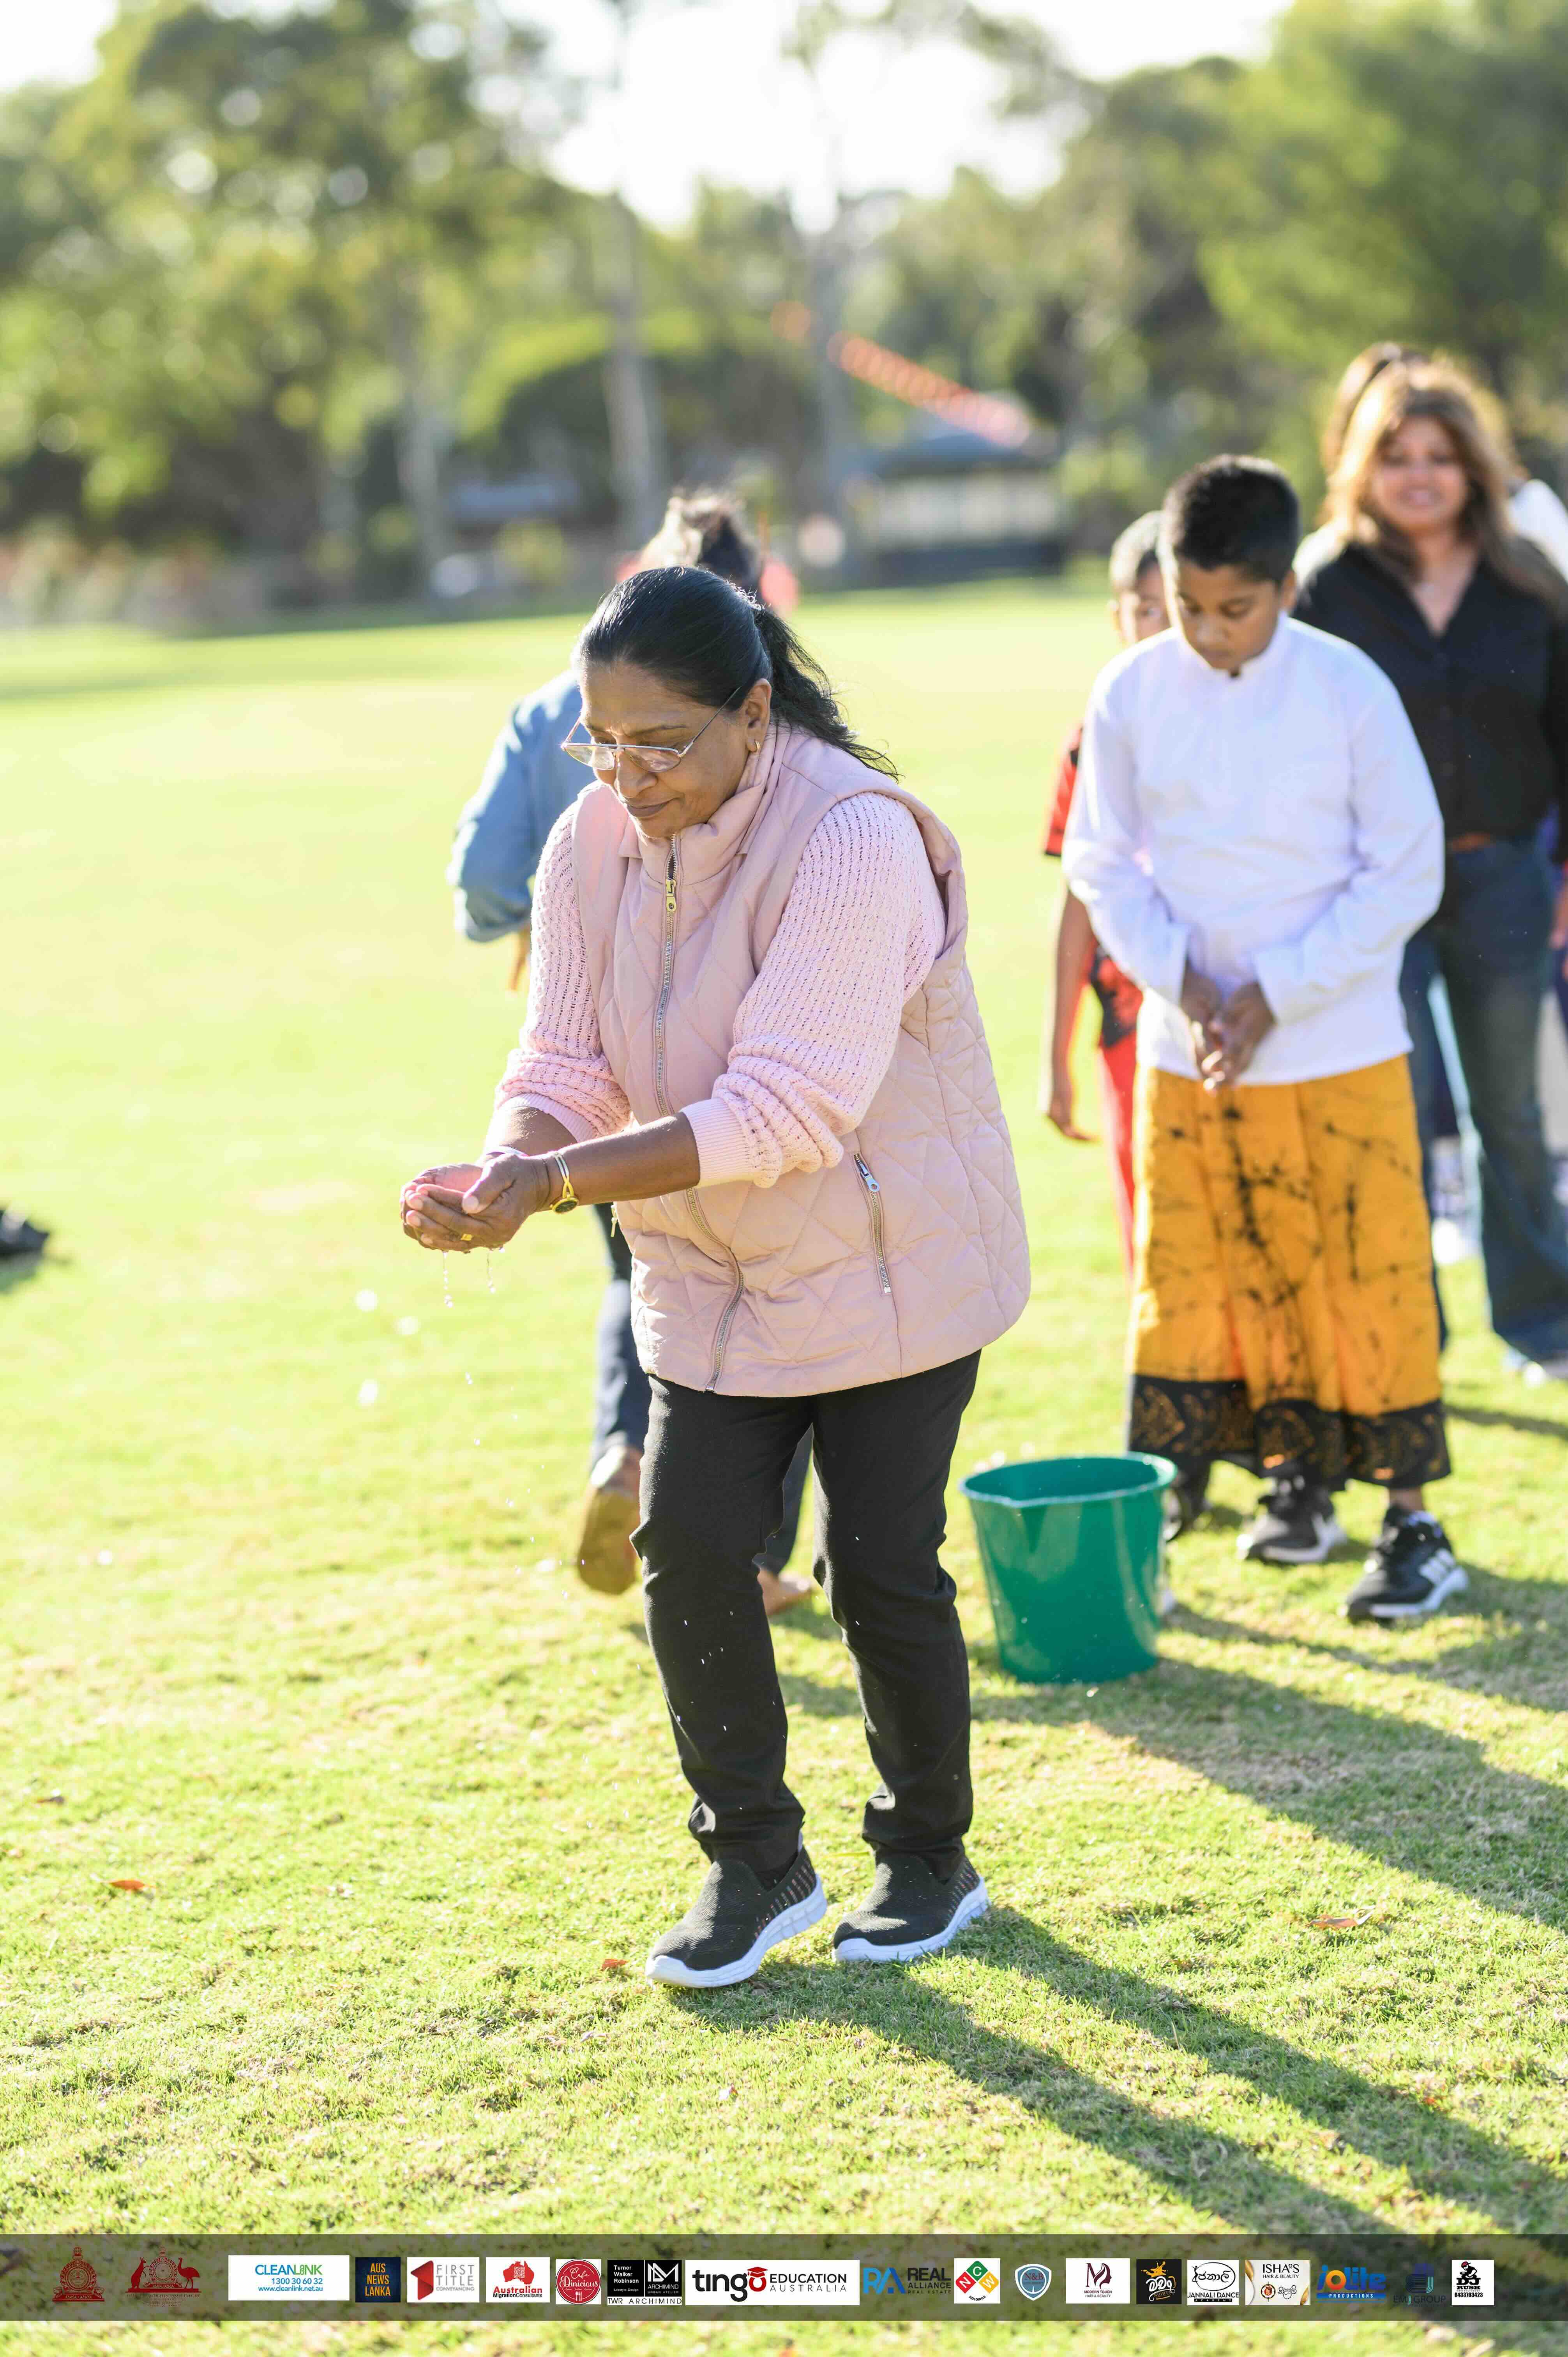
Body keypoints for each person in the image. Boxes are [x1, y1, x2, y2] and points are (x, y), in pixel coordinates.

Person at [402, 565, 1029, 1982]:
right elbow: (559, 1058)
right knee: (688, 1548)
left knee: (879, 1571)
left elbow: (786, 1107)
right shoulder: (590, 843)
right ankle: (754, 1860)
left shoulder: (854, 838)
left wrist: (556, 1182)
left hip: (891, 1263)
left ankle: (929, 1856)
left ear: (755, 713)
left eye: (663, 742)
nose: (629, 776)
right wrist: (508, 1160)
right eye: (602, 742)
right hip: (712, 1275)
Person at [1065, 457, 1463, 1626]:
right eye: (1186, 605)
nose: (1204, 632)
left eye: (1232, 609)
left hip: (1338, 1047)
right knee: (1211, 1272)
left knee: (1368, 1274)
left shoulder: (1348, 689)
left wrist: (1275, 991)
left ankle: (1415, 1527)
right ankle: (1290, 1487)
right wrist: (1189, 985)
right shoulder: (1131, 692)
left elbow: (1408, 869)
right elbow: (1101, 860)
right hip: (1192, 1052)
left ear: (1287, 588)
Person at [448, 491, 813, 1607]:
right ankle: (747, 1554)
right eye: (604, 749)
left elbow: (476, 887)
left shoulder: (544, 709)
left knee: (641, 1273)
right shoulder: (776, 734)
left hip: (605, 1093)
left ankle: (625, 1451)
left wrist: (552, 934)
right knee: (770, 1299)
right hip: (725, 1087)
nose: (626, 770)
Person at [1293, 362, 1568, 1376]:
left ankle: (1542, 1324)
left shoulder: (1529, 582)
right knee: (1393, 1115)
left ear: (1473, 467)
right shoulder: (1324, 586)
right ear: (1364, 467)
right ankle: (1411, 1332)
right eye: (1397, 457)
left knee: (1516, 1112)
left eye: (1439, 458)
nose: (1419, 477)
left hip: (1504, 878)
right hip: (1370, 892)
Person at [1040, 512, 1168, 1274]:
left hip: (1222, 1018)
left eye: (1175, 607)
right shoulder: (1091, 737)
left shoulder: (1236, 724)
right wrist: (1054, 1056)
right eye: (1143, 609)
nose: (1158, 628)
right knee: (1148, 1228)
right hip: (1127, 1022)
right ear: (1115, 615)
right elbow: (1075, 900)